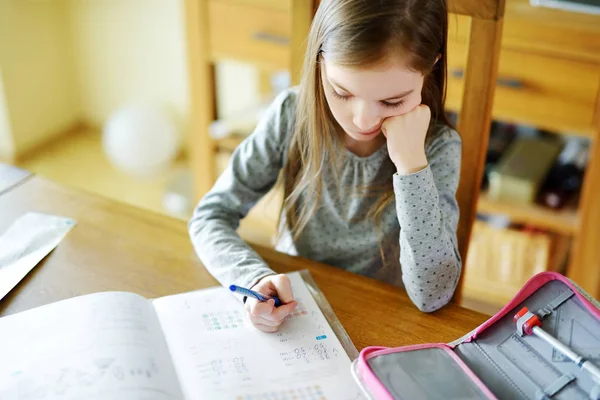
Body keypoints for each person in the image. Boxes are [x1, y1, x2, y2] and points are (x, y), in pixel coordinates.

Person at [189, 0, 461, 332]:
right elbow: (210, 216)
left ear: (431, 66)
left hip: (381, 317)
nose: (363, 120)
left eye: (392, 101)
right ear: (319, 60)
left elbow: (432, 294)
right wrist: (254, 279)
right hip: (296, 306)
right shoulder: (292, 114)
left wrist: (411, 166)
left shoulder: (438, 148)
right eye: (341, 92)